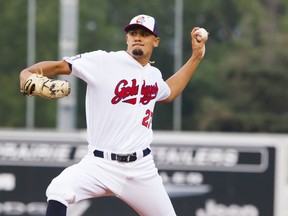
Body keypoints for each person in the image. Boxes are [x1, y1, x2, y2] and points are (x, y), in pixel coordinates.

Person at [19, 14, 208, 216]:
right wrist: (26, 74)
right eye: (133, 33)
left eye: (145, 34)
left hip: (141, 169)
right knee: (59, 189)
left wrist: (196, 57)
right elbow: (59, 67)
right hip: (100, 164)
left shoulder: (154, 75)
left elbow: (169, 92)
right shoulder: (103, 61)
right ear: (126, 38)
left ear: (155, 41)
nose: (137, 37)